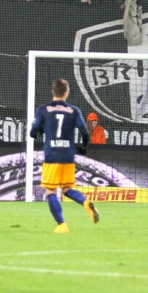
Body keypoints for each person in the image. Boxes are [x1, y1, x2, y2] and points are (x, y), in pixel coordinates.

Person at [29, 78, 100, 233]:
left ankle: (62, 224)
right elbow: (84, 132)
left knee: (51, 191)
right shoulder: (74, 111)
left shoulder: (43, 109)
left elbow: (32, 133)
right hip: (68, 155)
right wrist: (83, 148)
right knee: (67, 189)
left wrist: (42, 129)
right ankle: (86, 202)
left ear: (52, 91)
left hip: (52, 156)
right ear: (67, 93)